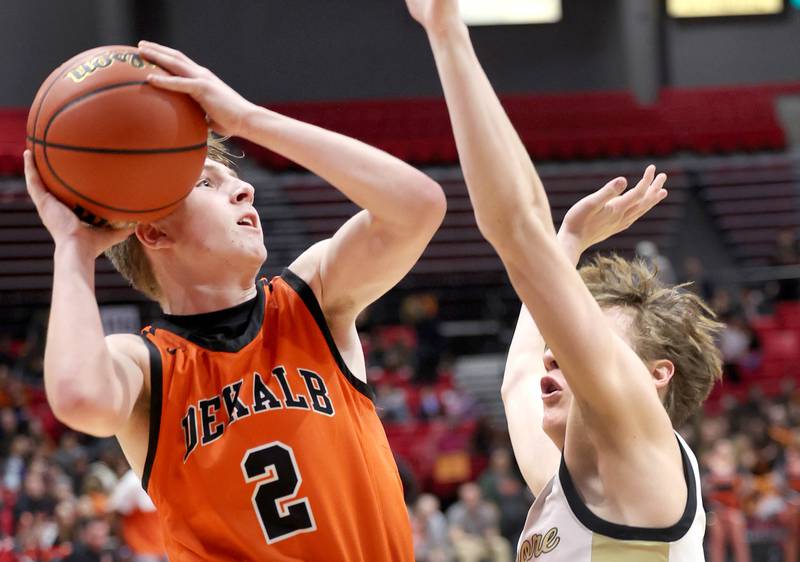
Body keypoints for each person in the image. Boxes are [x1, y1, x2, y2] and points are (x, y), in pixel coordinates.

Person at [25, 41, 446, 560]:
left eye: (238, 180)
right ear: (152, 232)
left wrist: (247, 118)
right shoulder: (146, 365)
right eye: (208, 182)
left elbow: (418, 207)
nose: (244, 190)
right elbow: (80, 399)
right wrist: (72, 248)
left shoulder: (309, 299)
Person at [406, 1, 723, 559]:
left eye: (582, 347)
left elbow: (516, 232)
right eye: (563, 348)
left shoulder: (642, 464)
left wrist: (447, 29)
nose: (557, 355)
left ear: (655, 377)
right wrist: (570, 242)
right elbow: (518, 380)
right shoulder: (571, 481)